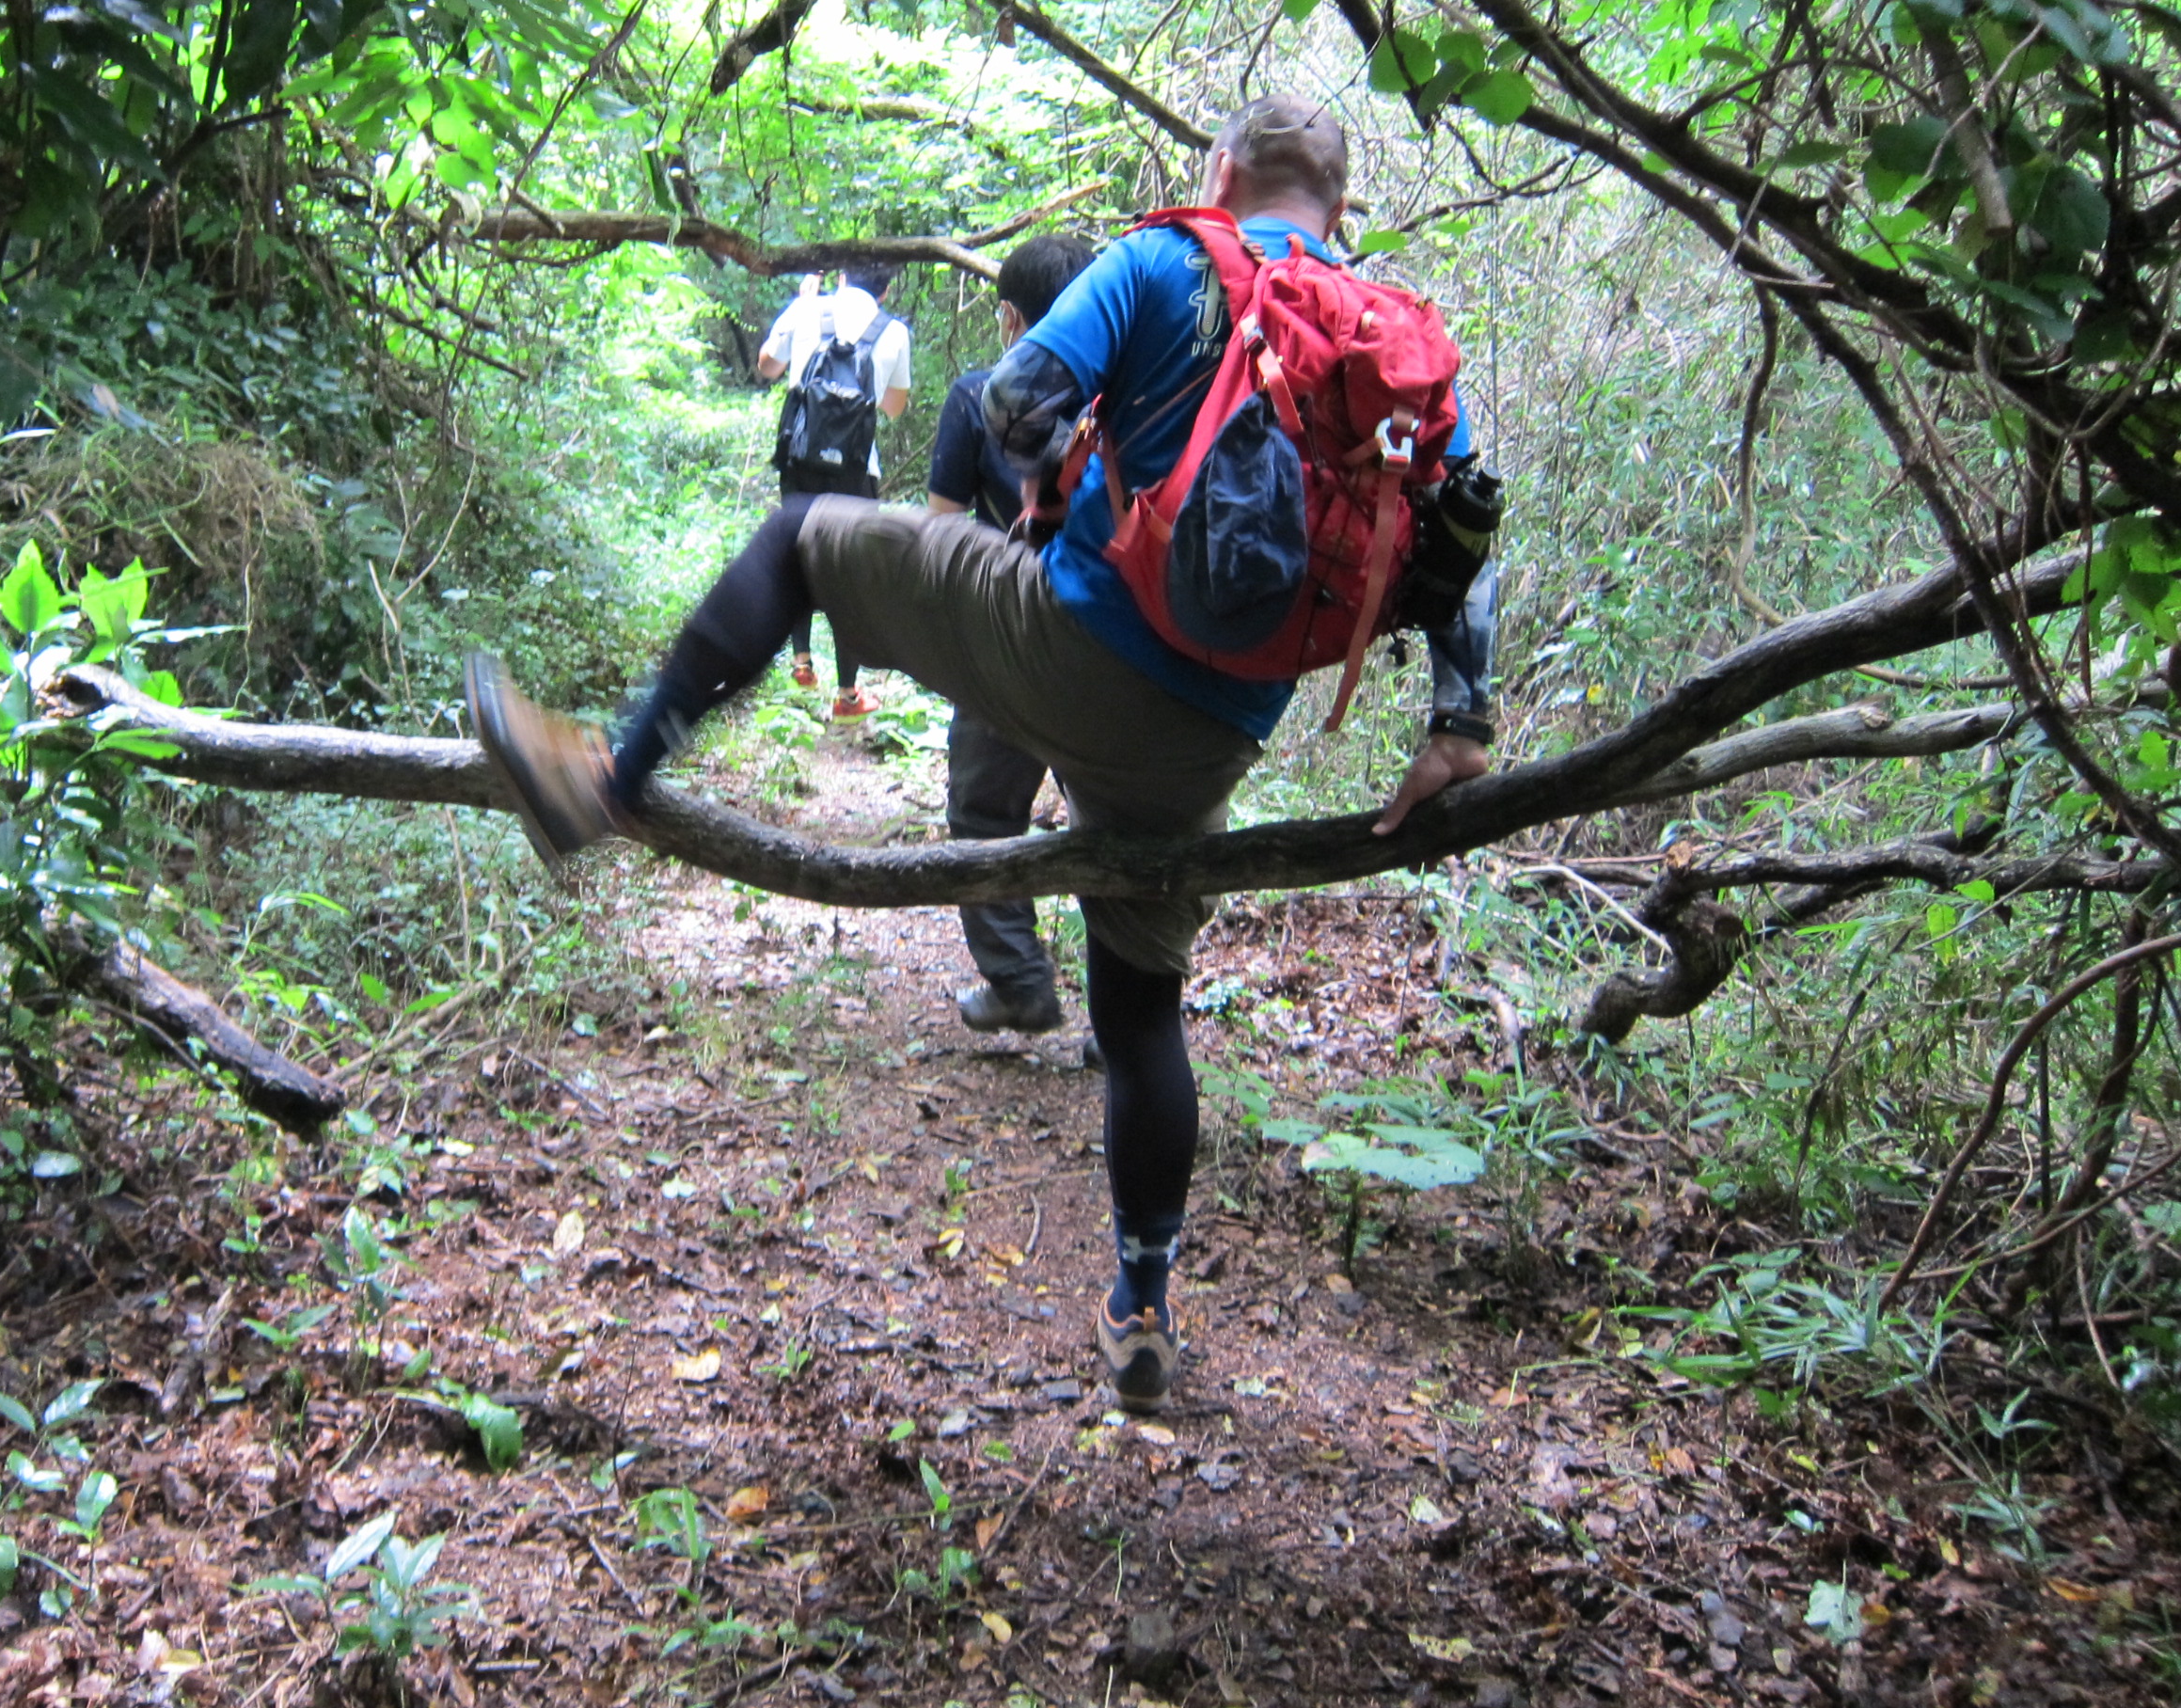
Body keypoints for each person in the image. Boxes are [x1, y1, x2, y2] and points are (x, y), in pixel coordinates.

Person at [468, 95, 1497, 1412]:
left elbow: (1017, 402)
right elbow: (1461, 547)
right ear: (1341, 208)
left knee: (803, 538)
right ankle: (1141, 1306)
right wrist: (1457, 727)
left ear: (1221, 171)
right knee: (1138, 1013)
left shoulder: (1167, 262)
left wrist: (1077, 483)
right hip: (1210, 737)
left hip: (1061, 642)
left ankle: (606, 780)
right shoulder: (1396, 350)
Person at [925, 232, 1097, 1040]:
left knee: (985, 811)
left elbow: (943, 532)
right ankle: (1121, 1019)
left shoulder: (975, 397)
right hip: (1115, 637)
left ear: (1008, 317)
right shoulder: (1130, 399)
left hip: (1010, 634)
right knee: (1111, 819)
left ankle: (1020, 982)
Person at [755, 265, 911, 718]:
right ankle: (847, 695)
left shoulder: (808, 307)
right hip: (858, 470)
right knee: (849, 575)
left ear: (841, 277)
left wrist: (803, 303)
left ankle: (802, 664)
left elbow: (767, 366)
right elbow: (895, 408)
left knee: (797, 554)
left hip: (799, 460)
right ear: (885, 290)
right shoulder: (893, 331)